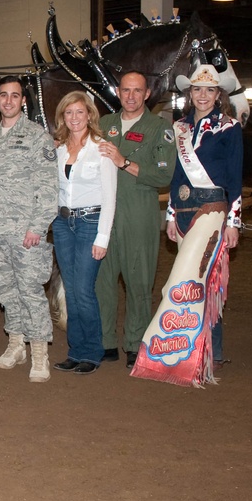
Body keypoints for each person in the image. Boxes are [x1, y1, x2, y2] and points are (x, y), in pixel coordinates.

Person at [132, 63, 242, 387]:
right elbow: (177, 175)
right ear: (190, 94)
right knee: (201, 285)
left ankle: (179, 355)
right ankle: (209, 350)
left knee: (183, 281)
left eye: (209, 90)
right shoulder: (179, 127)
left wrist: (234, 222)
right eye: (197, 89)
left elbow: (235, 179)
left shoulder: (228, 127)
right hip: (182, 212)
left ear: (218, 94)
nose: (203, 95)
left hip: (212, 211)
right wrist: (168, 215)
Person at [95, 72, 176, 368]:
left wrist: (124, 162)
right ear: (118, 92)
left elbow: (163, 175)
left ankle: (134, 342)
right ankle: (105, 342)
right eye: (126, 90)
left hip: (138, 211)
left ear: (148, 93)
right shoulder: (103, 124)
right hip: (105, 212)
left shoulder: (159, 128)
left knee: (139, 280)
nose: (130, 96)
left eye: (137, 91)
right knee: (103, 280)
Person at [0, 76, 58, 382]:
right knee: (5, 291)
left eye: (15, 96)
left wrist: (37, 228)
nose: (9, 101)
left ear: (23, 101)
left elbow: (50, 189)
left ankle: (40, 353)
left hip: (27, 232)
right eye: (4, 95)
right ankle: (16, 344)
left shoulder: (38, 137)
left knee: (30, 292)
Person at [52, 91, 116, 375]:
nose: (74, 118)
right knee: (71, 288)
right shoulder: (58, 149)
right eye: (69, 113)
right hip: (63, 224)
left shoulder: (102, 148)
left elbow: (110, 197)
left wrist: (103, 238)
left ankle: (92, 351)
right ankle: (75, 351)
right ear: (62, 117)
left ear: (89, 114)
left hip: (91, 222)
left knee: (84, 290)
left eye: (79, 112)